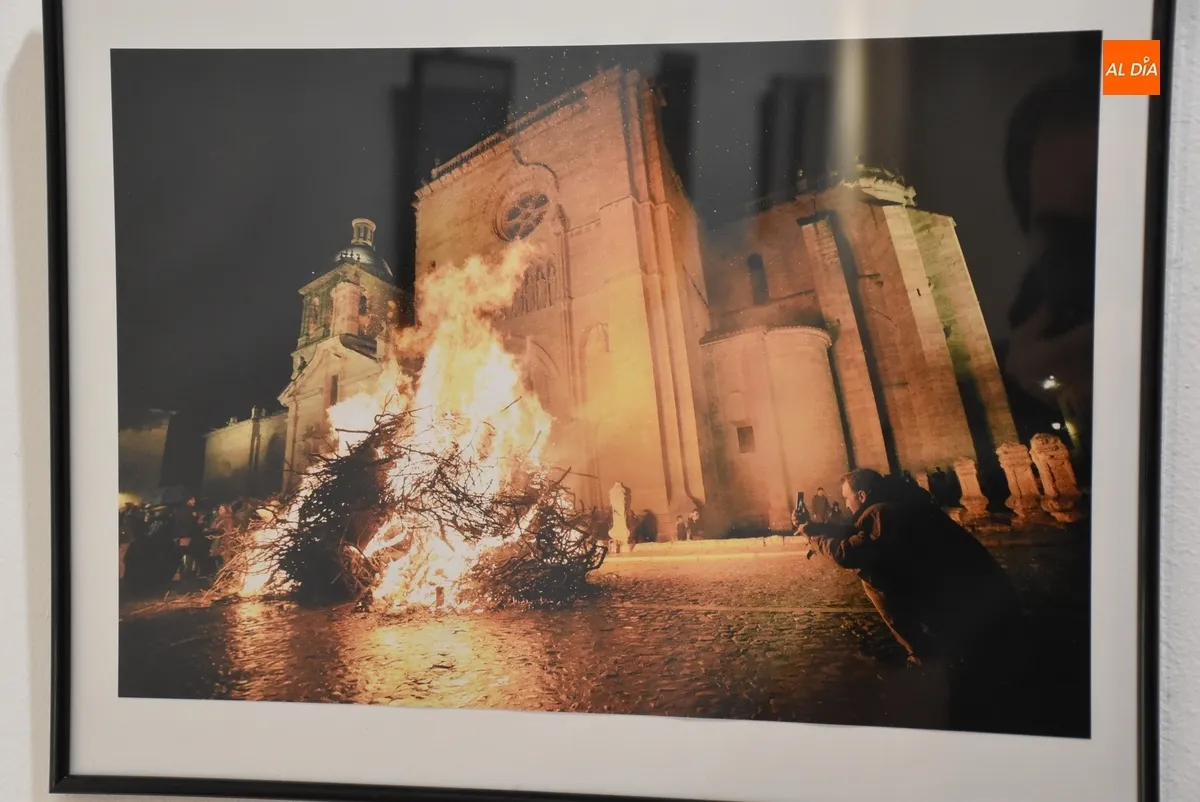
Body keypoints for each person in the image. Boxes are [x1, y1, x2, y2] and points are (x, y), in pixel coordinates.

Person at [796, 468, 1022, 728]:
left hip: (973, 602)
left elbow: (849, 552)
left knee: (873, 576)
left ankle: (926, 656)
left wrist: (814, 538)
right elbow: (856, 530)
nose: (846, 504)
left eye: (848, 497)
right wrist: (816, 528)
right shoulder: (895, 502)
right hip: (977, 590)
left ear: (862, 495)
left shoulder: (883, 512)